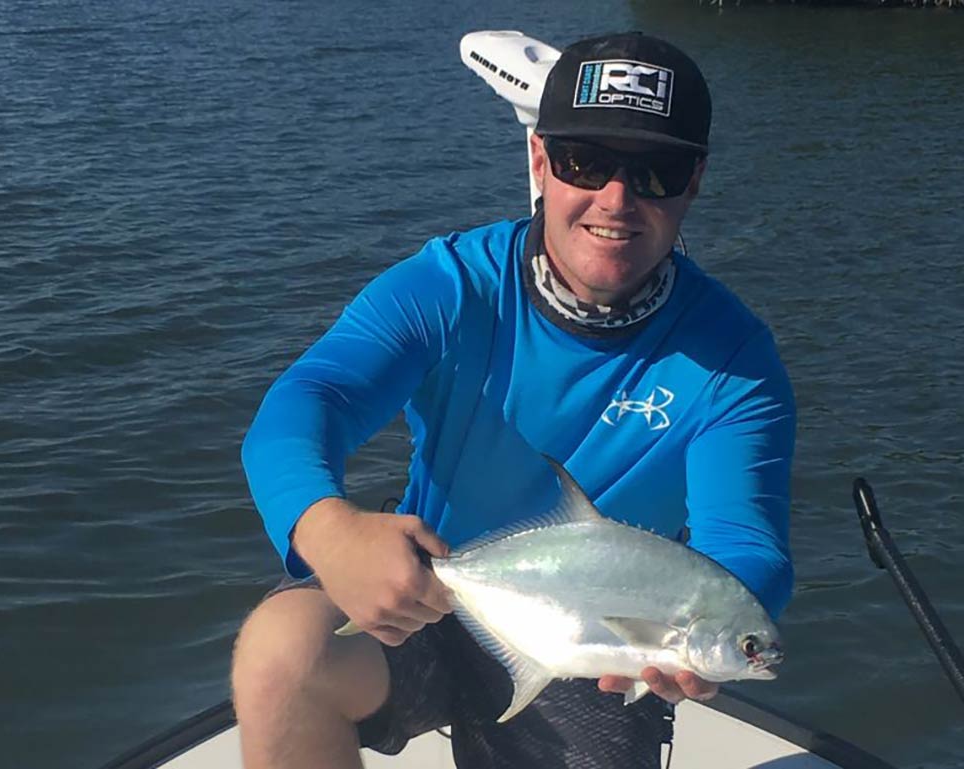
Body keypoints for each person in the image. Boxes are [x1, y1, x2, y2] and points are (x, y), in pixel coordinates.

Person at [232, 31, 795, 769]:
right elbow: (307, 402)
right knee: (281, 656)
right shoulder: (453, 286)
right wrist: (328, 529)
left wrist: (716, 622)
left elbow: (745, 540)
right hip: (429, 592)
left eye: (655, 171)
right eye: (584, 162)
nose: (616, 200)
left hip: (600, 644)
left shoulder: (735, 362)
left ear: (694, 182)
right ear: (540, 161)